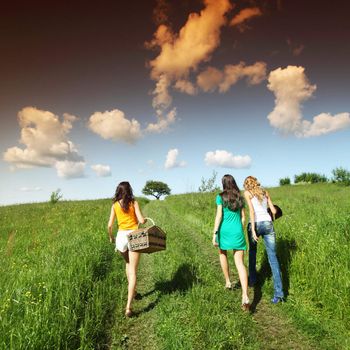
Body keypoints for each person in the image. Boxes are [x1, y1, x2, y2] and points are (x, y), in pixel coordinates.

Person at [108, 181, 147, 317]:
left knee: (128, 264)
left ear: (118, 191)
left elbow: (109, 225)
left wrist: (111, 238)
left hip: (120, 238)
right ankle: (128, 307)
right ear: (129, 190)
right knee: (133, 272)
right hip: (133, 236)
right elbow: (141, 221)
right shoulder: (134, 203)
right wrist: (144, 220)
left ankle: (134, 292)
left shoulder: (114, 205)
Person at [243, 176, 284, 304]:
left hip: (255, 224)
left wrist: (254, 230)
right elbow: (273, 210)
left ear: (247, 185)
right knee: (273, 258)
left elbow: (252, 212)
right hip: (268, 224)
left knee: (252, 252)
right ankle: (279, 294)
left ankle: (253, 280)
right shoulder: (265, 192)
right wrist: (270, 219)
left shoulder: (247, 193)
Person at [212, 174, 250, 311]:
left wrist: (215, 233)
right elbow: (243, 218)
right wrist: (239, 229)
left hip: (225, 231)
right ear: (234, 183)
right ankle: (245, 295)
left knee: (222, 254)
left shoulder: (220, 197)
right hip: (237, 231)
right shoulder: (240, 197)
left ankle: (228, 282)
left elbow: (219, 215)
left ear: (223, 183)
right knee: (240, 263)